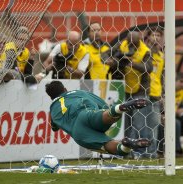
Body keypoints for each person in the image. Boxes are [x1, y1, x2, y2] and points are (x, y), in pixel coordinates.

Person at [45, 81, 151, 156]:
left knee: (106, 145)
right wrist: (110, 117)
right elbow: (101, 103)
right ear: (65, 89)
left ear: (51, 97)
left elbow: (54, 128)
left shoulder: (53, 109)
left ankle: (127, 145)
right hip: (86, 113)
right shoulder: (78, 92)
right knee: (109, 114)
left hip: (78, 132)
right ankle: (120, 108)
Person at [116, 31, 153, 158]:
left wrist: (131, 63)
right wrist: (118, 58)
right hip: (124, 89)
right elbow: (108, 55)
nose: (131, 46)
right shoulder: (122, 45)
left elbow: (149, 67)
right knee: (125, 124)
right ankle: (126, 152)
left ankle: (142, 152)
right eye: (129, 43)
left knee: (139, 124)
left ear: (139, 41)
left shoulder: (145, 50)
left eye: (134, 44)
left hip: (140, 91)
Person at [143, 27, 164, 158]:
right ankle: (139, 151)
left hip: (155, 93)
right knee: (140, 124)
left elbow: (162, 76)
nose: (155, 37)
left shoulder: (161, 56)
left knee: (154, 124)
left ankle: (151, 152)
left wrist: (163, 94)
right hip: (142, 91)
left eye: (158, 35)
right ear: (148, 37)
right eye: (153, 35)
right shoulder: (144, 52)